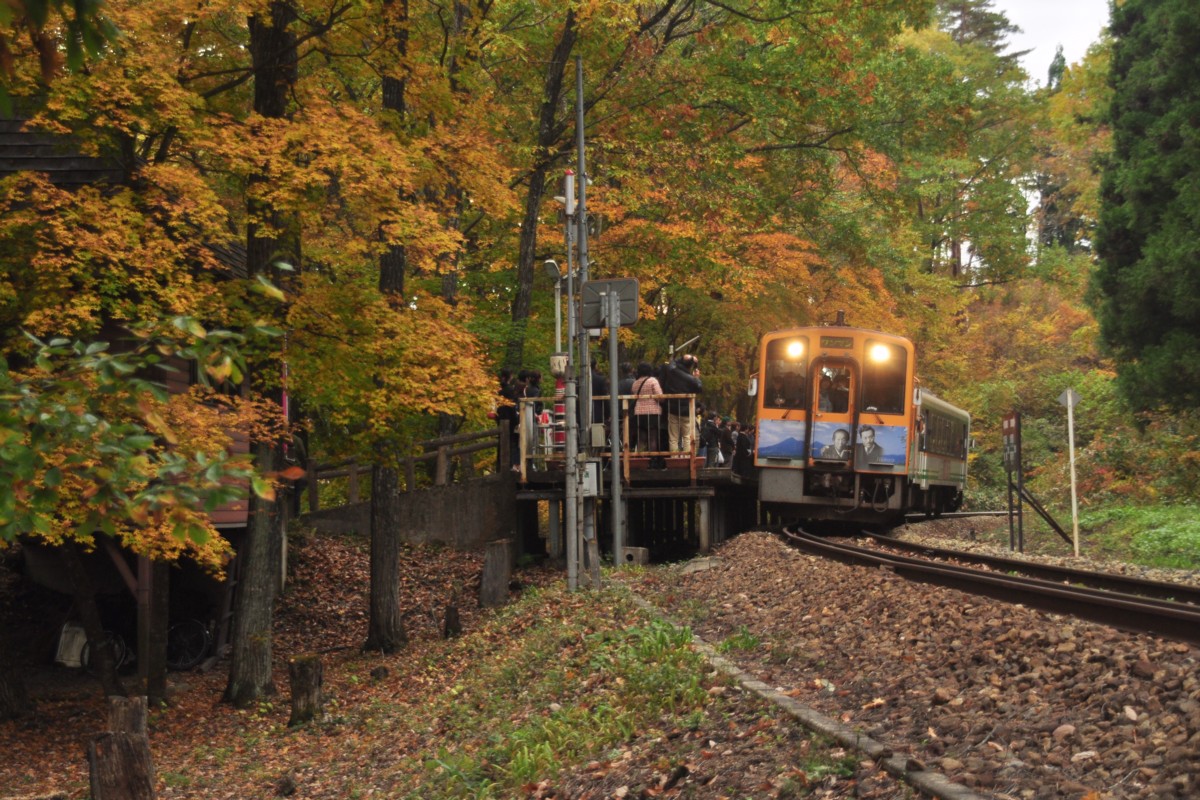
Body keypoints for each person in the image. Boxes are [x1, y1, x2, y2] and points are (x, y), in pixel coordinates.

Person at [658, 354, 702, 452]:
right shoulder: (691, 379)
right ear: (691, 366)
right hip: (686, 410)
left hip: (672, 408)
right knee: (687, 436)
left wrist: (683, 358)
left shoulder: (672, 371)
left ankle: (674, 458)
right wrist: (697, 377)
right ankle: (686, 459)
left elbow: (671, 362)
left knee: (673, 437)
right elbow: (699, 388)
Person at [630, 363, 664, 467]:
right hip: (652, 412)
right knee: (652, 437)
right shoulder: (653, 380)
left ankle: (642, 460)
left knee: (641, 438)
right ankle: (653, 460)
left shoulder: (635, 383)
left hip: (639, 412)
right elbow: (660, 397)